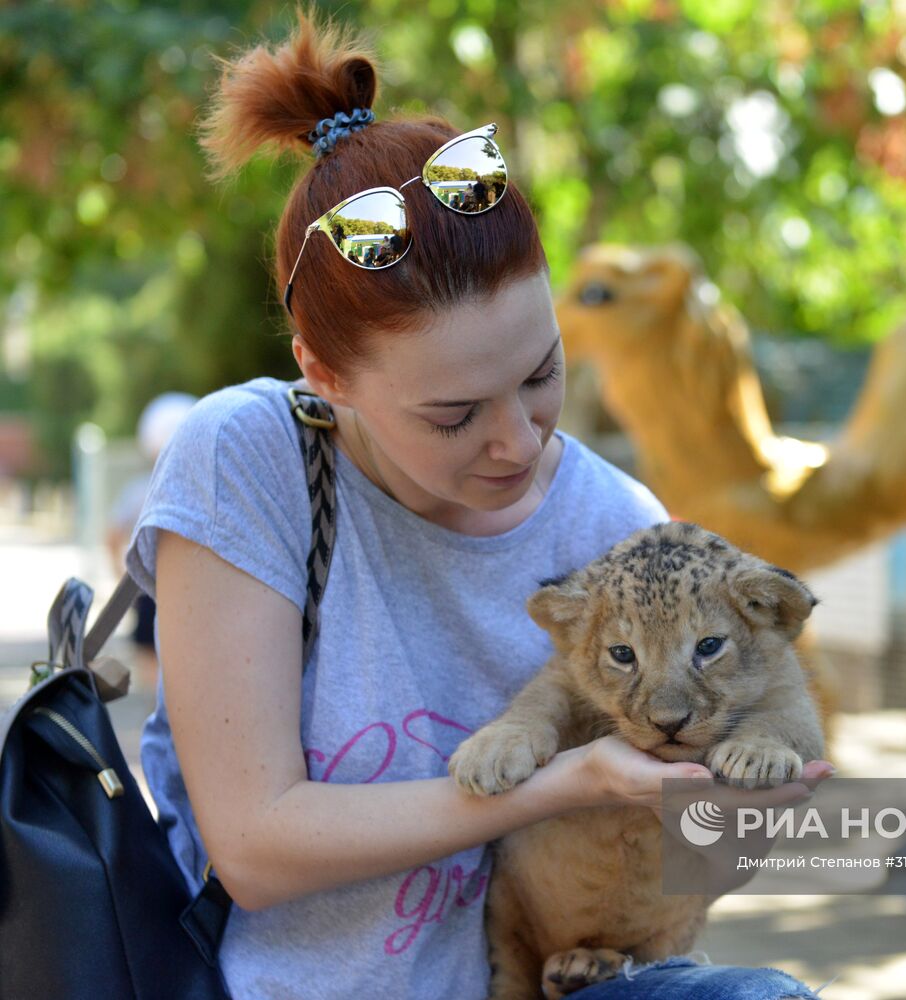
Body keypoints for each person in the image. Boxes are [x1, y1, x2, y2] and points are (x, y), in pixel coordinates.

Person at [125, 13, 830, 1000]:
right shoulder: (248, 459)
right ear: (325, 376)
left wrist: (749, 795)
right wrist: (566, 784)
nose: (519, 439)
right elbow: (255, 844)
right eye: (454, 415)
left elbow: (714, 852)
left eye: (542, 373)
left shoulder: (616, 521)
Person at [104, 391, 197, 690]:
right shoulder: (202, 493)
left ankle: (164, 707)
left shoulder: (139, 489)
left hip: (149, 587)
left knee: (151, 658)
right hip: (188, 586)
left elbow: (112, 535)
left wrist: (121, 575)